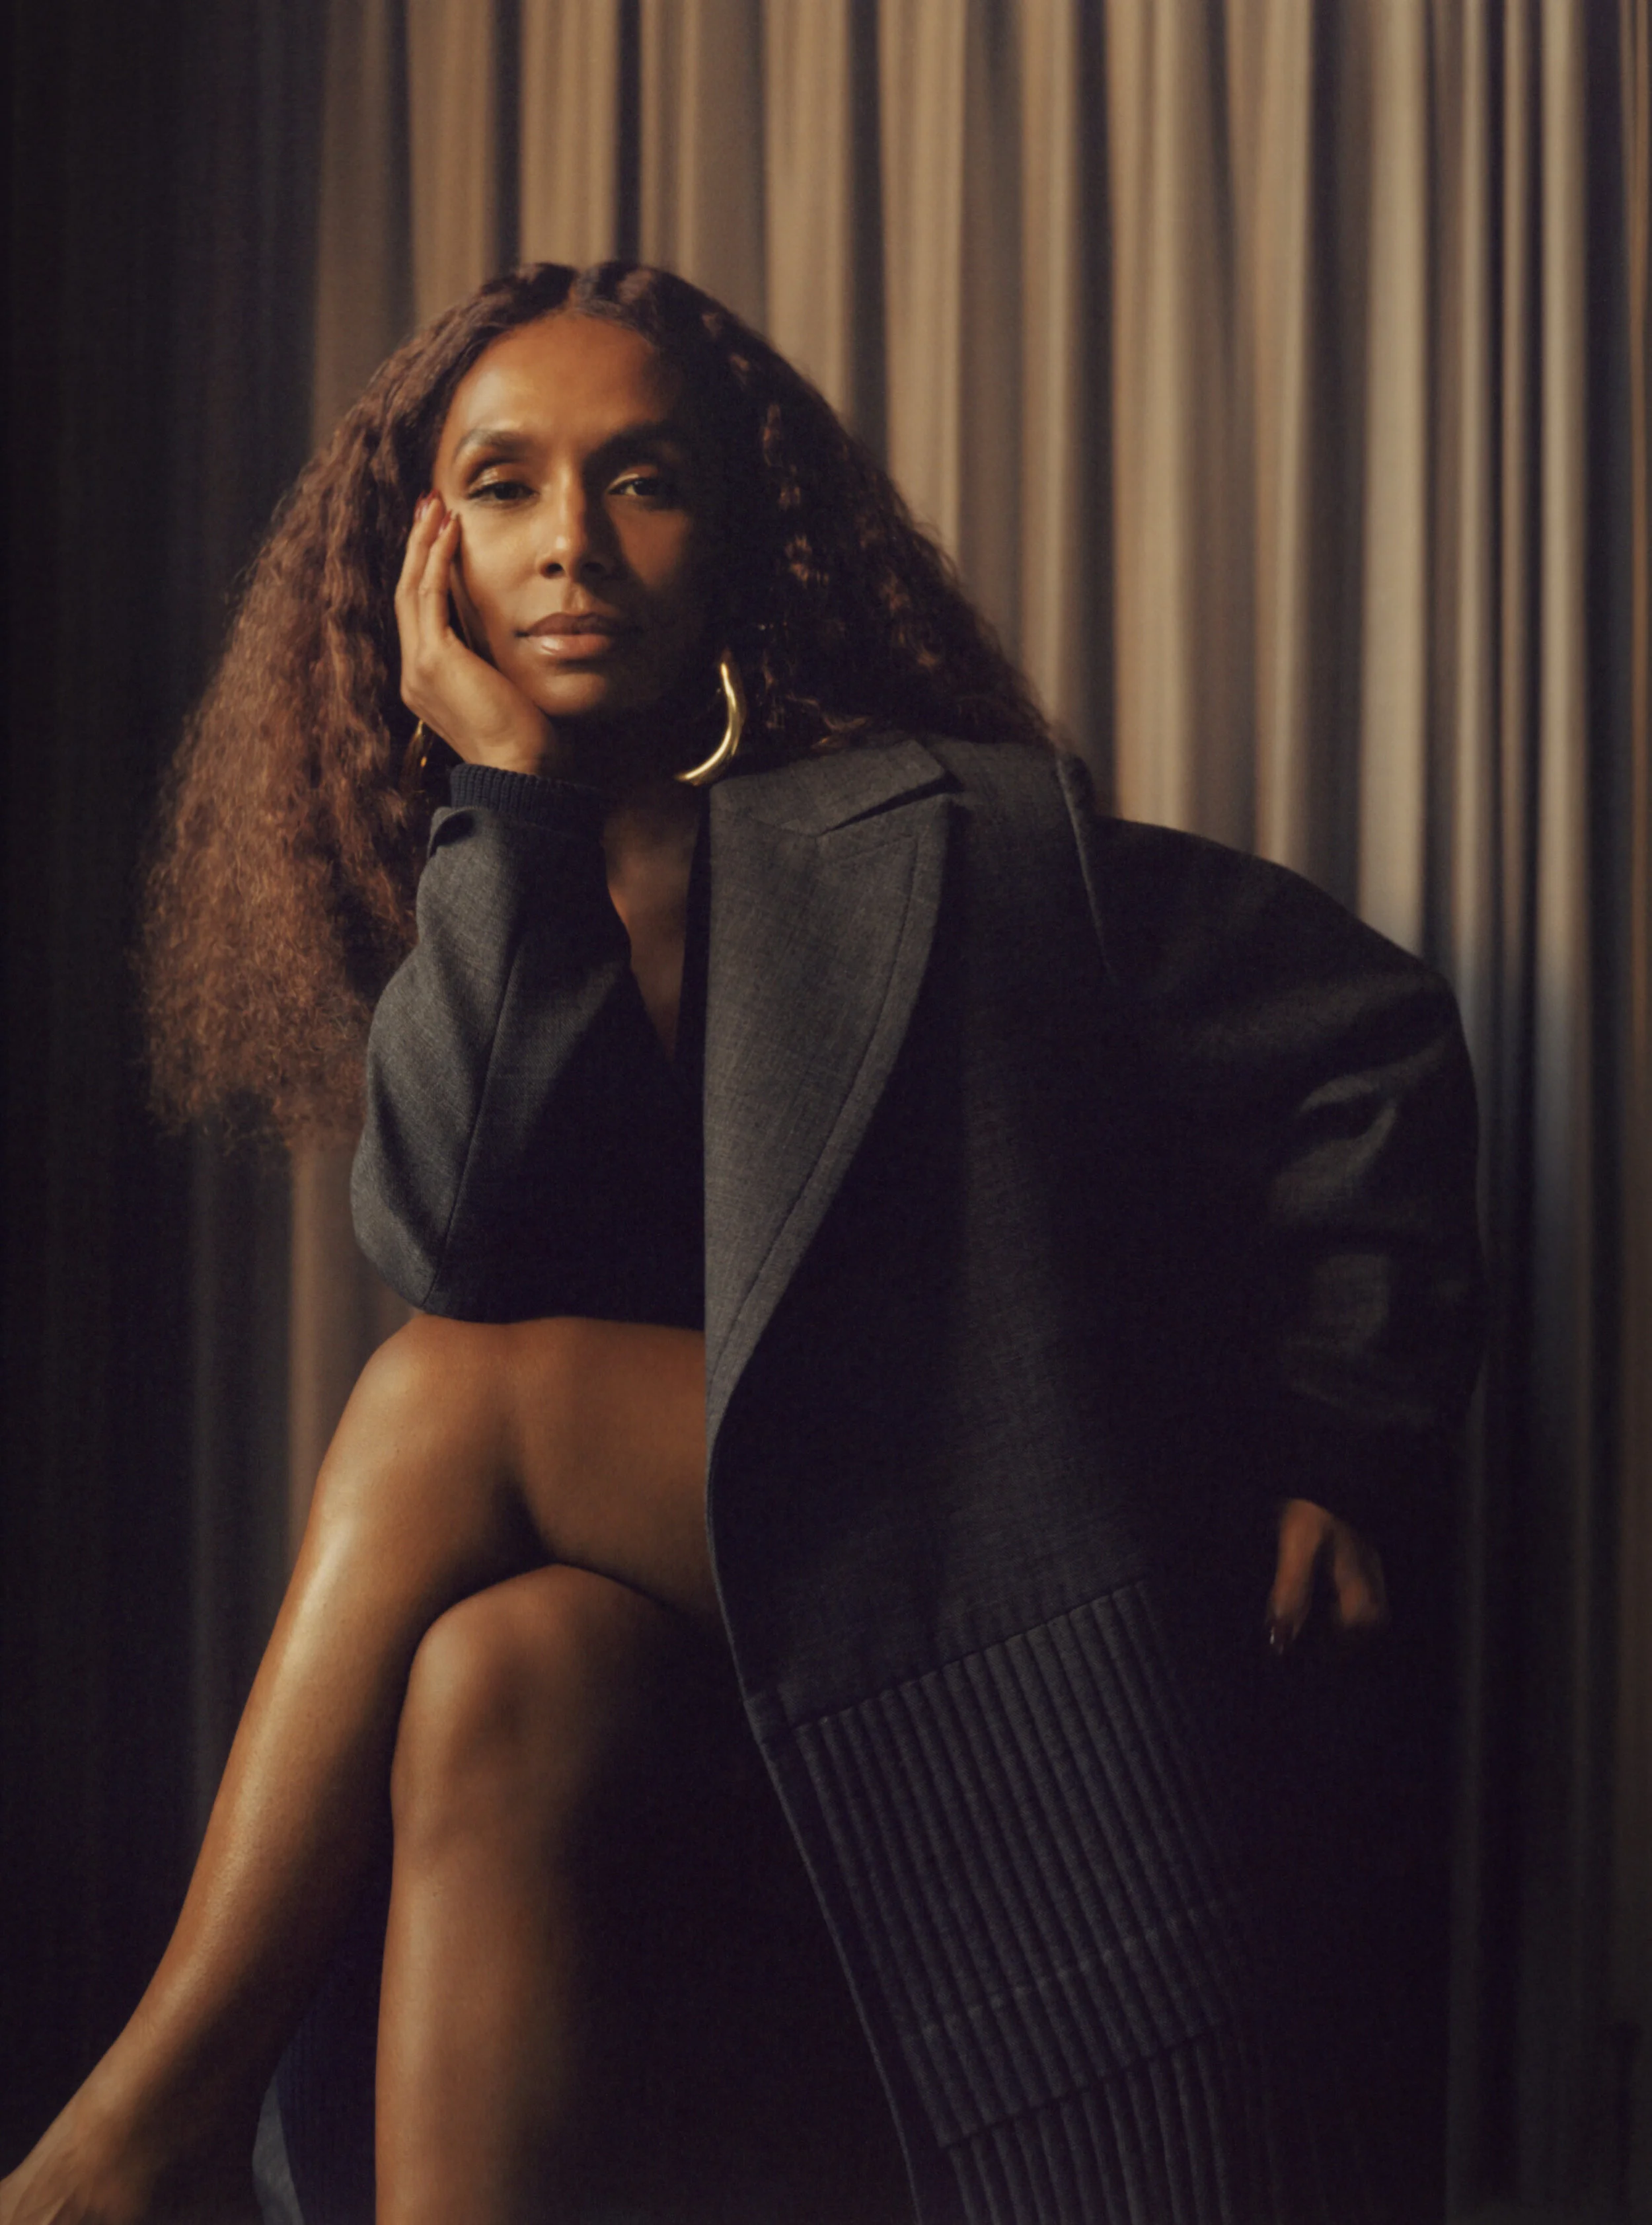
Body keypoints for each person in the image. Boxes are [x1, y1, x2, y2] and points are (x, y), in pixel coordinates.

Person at [1, 261, 1483, 2225]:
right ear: (427, 559)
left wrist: (1335, 1443)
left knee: (445, 1400)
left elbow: (1369, 1039)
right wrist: (505, 803)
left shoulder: (939, 843)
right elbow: (450, 1231)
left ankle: (143, 2128)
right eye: (506, 487)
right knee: (496, 1667)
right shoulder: (481, 888)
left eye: (643, 480)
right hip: (734, 1660)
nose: (572, 542)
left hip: (997, 1570)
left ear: (736, 537)